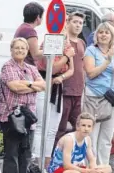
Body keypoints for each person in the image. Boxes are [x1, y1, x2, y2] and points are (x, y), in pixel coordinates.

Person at [0, 38, 46, 173]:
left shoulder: (31, 67)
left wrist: (26, 85)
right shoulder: (7, 66)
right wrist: (31, 86)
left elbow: (43, 85)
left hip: (28, 116)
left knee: (26, 152)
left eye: (23, 48)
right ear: (11, 49)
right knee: (12, 152)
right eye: (17, 48)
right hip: (12, 115)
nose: (20, 51)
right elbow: (14, 87)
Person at [83, 23, 114, 166]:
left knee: (107, 136)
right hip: (94, 96)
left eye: (106, 33)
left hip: (112, 97)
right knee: (93, 134)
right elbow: (90, 73)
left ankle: (103, 167)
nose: (103, 35)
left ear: (112, 36)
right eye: (100, 32)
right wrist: (106, 61)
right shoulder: (91, 51)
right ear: (96, 35)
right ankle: (92, 167)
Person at [33, 28, 75, 165]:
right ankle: (36, 162)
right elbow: (52, 67)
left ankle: (46, 163)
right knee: (41, 126)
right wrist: (66, 57)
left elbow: (71, 70)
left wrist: (62, 77)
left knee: (52, 128)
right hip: (45, 83)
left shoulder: (67, 46)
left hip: (58, 85)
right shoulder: (48, 42)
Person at [48, 113, 112, 173]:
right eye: (83, 125)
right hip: (60, 169)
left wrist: (94, 171)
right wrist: (88, 172)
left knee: (108, 168)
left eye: (89, 126)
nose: (86, 129)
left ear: (92, 128)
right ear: (77, 126)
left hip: (78, 168)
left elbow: (92, 159)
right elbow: (67, 165)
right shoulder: (69, 139)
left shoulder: (87, 139)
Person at [53, 12, 87, 152]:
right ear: (68, 23)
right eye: (75, 22)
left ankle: (73, 156)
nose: (78, 25)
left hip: (78, 91)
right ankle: (53, 158)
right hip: (64, 90)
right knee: (59, 128)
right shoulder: (62, 41)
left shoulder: (82, 42)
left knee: (78, 126)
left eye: (80, 23)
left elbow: (82, 66)